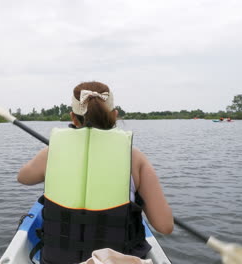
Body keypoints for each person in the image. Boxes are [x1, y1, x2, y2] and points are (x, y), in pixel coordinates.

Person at [17, 82, 173, 264]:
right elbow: (165, 226)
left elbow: (23, 177)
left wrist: (53, 153)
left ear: (73, 118)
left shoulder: (52, 153)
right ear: (114, 116)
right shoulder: (135, 158)